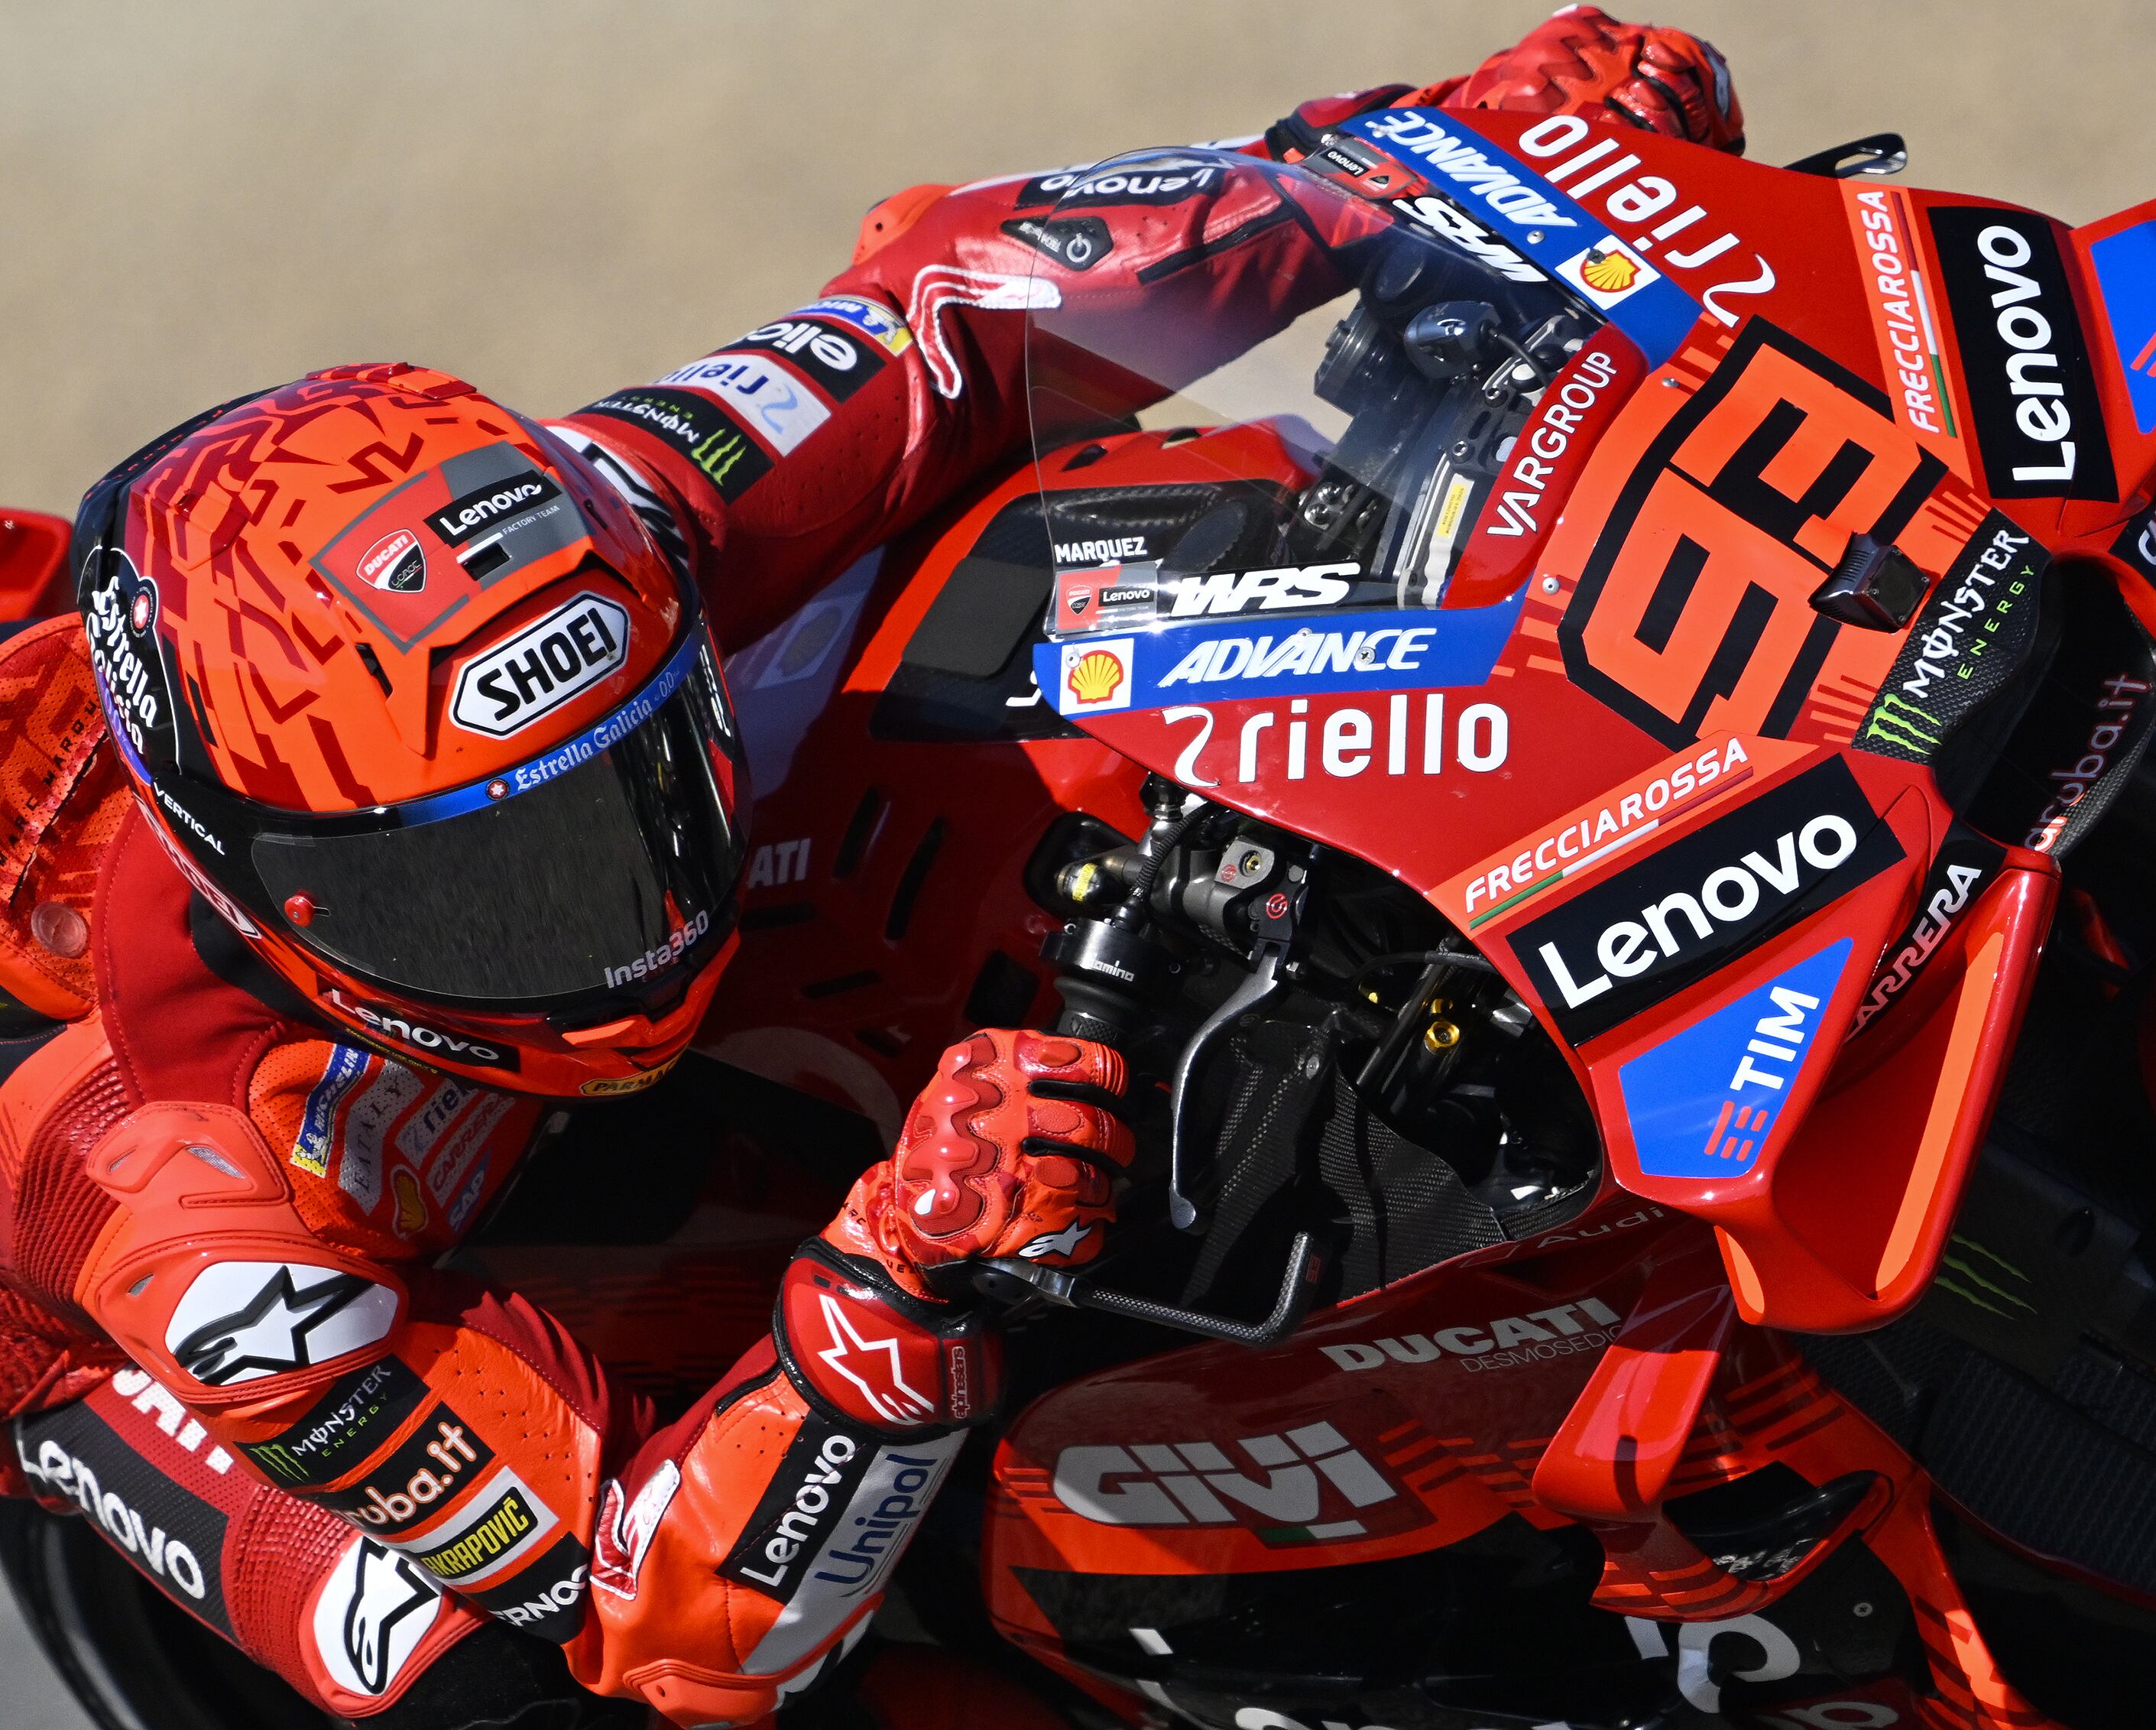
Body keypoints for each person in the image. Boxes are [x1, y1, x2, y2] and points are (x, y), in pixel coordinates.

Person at [0, 11, 1744, 1725]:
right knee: (532, 1690)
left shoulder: (616, 517)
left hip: (565, 1110)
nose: (610, 924)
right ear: (258, 885)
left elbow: (954, 301)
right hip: (133, 1324)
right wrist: (887, 1287)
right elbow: (659, 1622)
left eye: (626, 793)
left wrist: (1432, 158)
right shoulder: (193, 1214)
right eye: (483, 894)